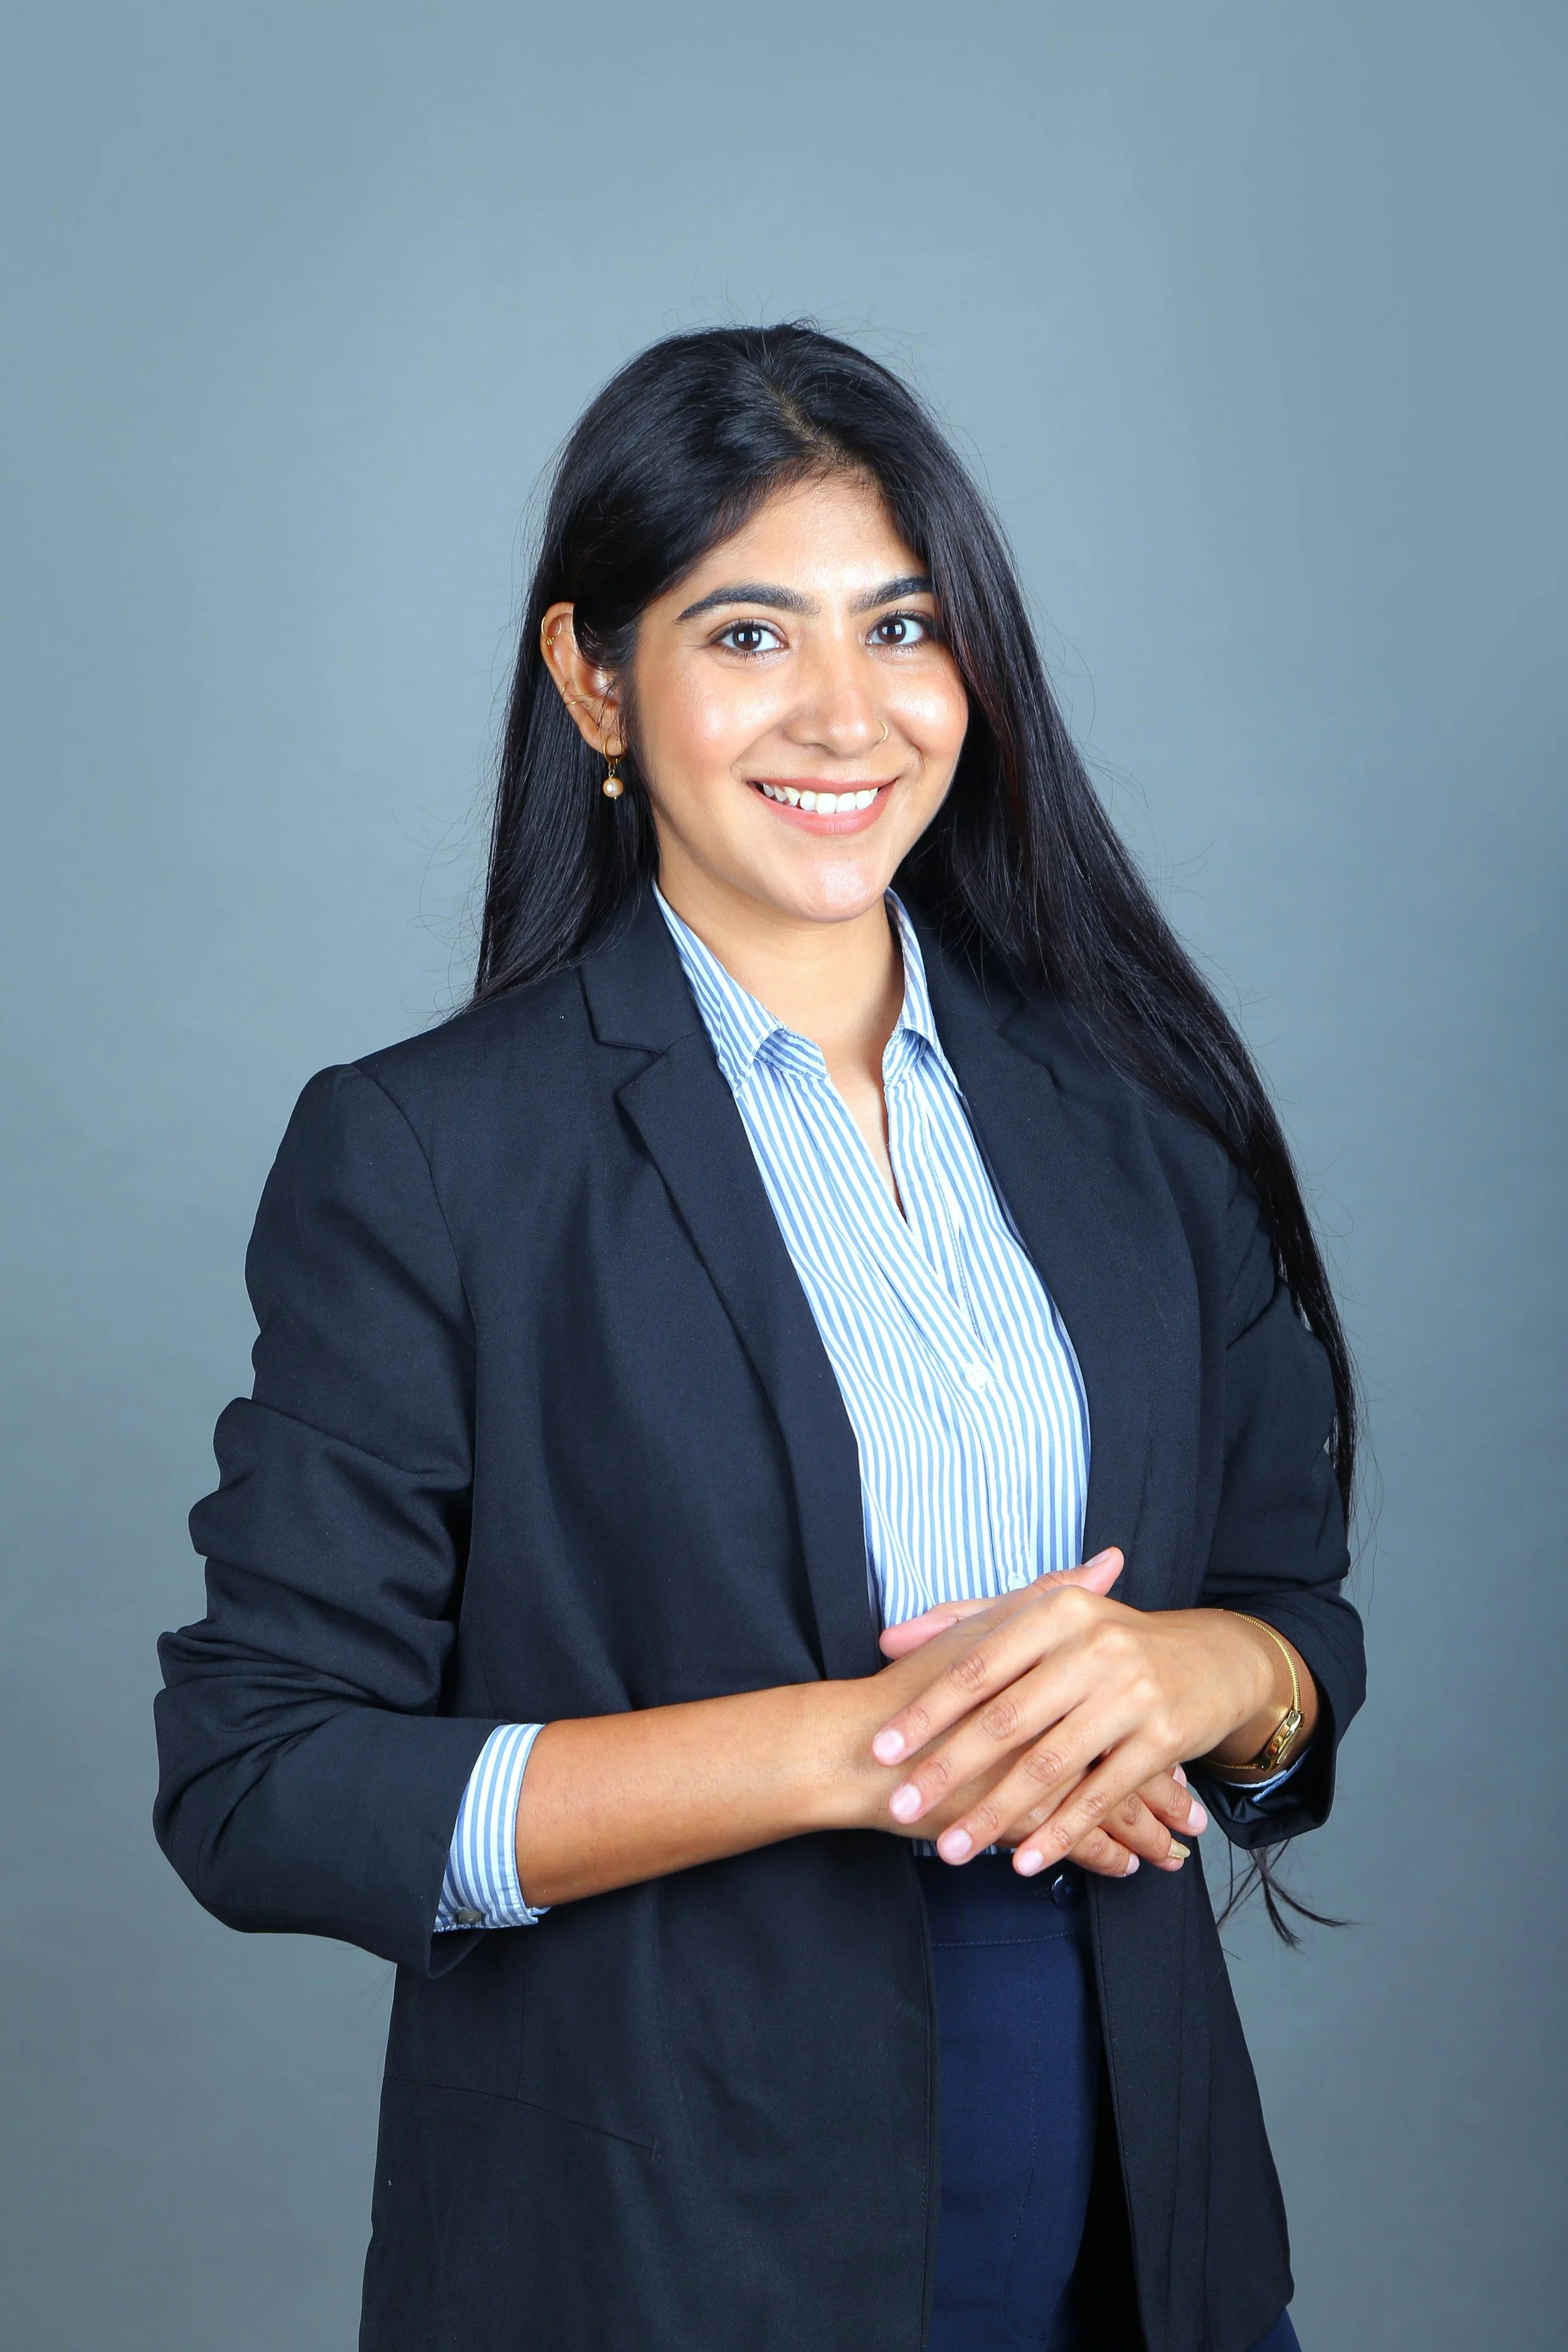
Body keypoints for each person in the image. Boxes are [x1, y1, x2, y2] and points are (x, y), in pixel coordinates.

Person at [154, 324, 1364, 2352]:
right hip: (650, 2242)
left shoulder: (1132, 1123)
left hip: (1132, 2228)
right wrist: (855, 1751)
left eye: (900, 626)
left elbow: (1290, 1617)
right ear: (591, 680)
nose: (844, 711)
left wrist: (1208, 1671)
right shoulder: (432, 1152)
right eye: (743, 634)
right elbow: (261, 1778)